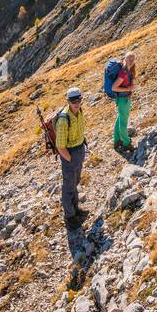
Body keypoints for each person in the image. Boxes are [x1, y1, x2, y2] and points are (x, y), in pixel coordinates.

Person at [55, 87, 88, 229]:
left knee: (75, 181)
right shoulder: (63, 119)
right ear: (68, 101)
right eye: (73, 101)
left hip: (79, 150)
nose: (76, 103)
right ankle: (69, 218)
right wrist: (70, 160)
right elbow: (60, 147)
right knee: (69, 186)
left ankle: (75, 210)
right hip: (70, 154)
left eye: (78, 100)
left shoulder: (79, 111)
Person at [111, 51, 135, 151]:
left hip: (124, 99)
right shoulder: (123, 73)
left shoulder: (130, 71)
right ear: (124, 59)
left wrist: (130, 89)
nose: (131, 61)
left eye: (133, 59)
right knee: (124, 122)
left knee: (119, 119)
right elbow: (114, 87)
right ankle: (126, 143)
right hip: (123, 100)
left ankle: (116, 140)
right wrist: (127, 89)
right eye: (129, 58)